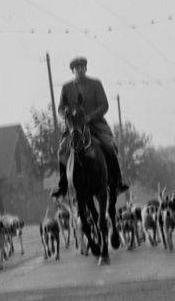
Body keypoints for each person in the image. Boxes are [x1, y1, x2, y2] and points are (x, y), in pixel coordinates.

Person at [51, 56, 129, 199]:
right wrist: (67, 116)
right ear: (72, 71)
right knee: (62, 150)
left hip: (95, 123)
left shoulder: (96, 84)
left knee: (109, 145)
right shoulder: (66, 88)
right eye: (76, 68)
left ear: (85, 69)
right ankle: (62, 186)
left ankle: (117, 182)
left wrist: (89, 117)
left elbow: (104, 105)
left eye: (82, 67)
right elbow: (60, 108)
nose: (79, 70)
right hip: (74, 126)